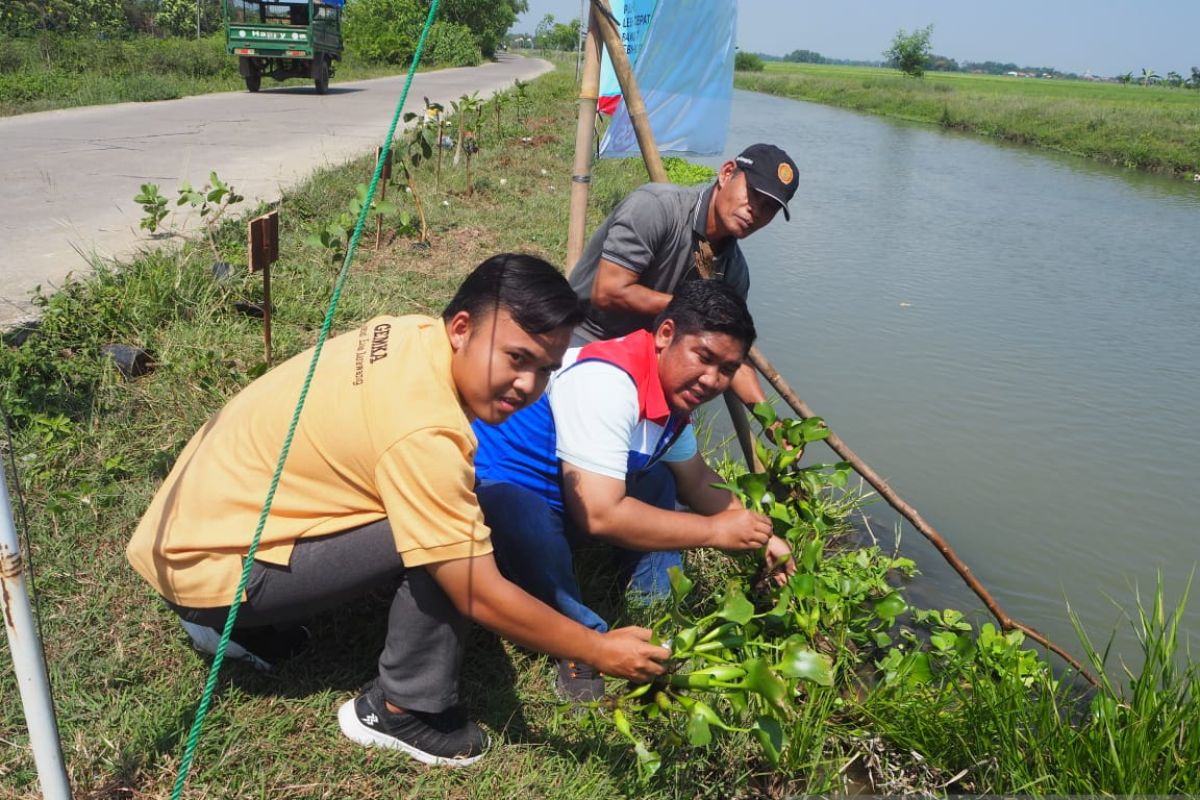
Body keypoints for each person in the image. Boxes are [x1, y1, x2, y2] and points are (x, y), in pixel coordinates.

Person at [126, 254, 669, 767]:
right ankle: (402, 709)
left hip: (186, 533)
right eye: (516, 358)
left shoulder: (410, 332)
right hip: (211, 567)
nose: (528, 385)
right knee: (454, 531)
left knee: (438, 512)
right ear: (462, 329)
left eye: (546, 369)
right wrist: (597, 648)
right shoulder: (426, 433)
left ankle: (241, 626)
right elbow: (474, 588)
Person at [471, 281, 795, 701]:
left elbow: (695, 478)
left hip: (574, 493)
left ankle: (653, 607)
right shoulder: (608, 382)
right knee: (521, 512)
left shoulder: (674, 394)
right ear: (665, 335)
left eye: (728, 369)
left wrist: (762, 534)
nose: (712, 380)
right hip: (503, 493)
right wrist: (714, 532)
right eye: (704, 357)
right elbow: (600, 515)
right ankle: (582, 641)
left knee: (662, 477)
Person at [568, 142, 799, 408]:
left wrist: (768, 418)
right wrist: (696, 310)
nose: (756, 211)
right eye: (753, 194)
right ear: (726, 173)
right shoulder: (656, 208)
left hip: (655, 363)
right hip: (587, 337)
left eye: (769, 208)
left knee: (685, 448)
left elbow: (729, 347)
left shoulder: (734, 272)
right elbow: (608, 291)